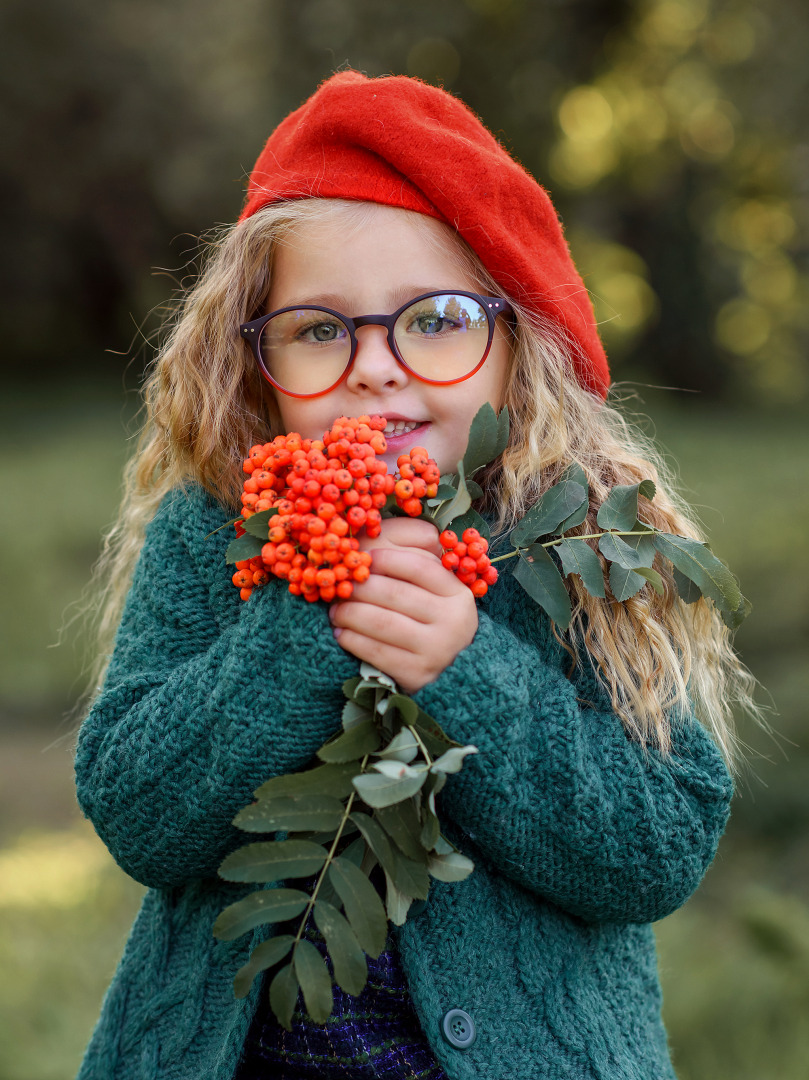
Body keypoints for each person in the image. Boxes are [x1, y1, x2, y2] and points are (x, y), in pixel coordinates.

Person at [74, 70, 756, 1080]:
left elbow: (655, 847)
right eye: (317, 328)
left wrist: (465, 665)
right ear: (251, 360)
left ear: (512, 342)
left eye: (433, 318)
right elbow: (136, 813)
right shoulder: (218, 531)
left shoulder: (573, 537)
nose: (376, 364)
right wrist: (306, 618)